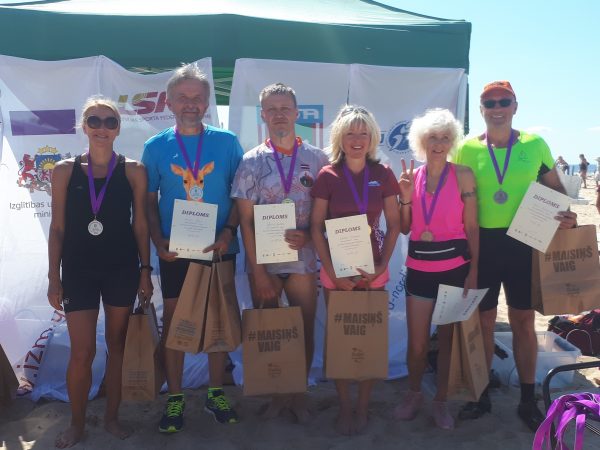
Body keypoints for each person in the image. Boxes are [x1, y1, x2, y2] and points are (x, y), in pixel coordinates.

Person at [454, 81, 577, 431]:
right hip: (482, 244)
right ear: (481, 109)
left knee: (523, 321)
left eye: (504, 101)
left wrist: (567, 215)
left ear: (515, 106)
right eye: (490, 102)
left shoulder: (535, 144)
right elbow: (454, 194)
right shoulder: (465, 148)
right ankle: (481, 396)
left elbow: (556, 190)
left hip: (524, 241)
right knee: (483, 322)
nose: (497, 108)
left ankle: (527, 399)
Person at [141, 64, 243, 433]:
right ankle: (176, 397)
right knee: (175, 325)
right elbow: (148, 201)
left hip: (218, 247)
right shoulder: (155, 147)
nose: (190, 104)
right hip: (176, 250)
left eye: (197, 98)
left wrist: (229, 232)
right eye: (182, 97)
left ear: (207, 103)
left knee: (217, 322)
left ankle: (215, 393)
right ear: (169, 102)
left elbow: (240, 195)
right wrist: (157, 240)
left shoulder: (227, 142)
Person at [47, 96, 153, 448]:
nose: (102, 128)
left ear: (118, 129)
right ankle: (76, 424)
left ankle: (111, 418)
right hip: (79, 271)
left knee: (117, 347)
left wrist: (145, 270)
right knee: (82, 352)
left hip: (122, 268)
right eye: (94, 121)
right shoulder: (64, 171)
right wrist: (53, 278)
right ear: (84, 126)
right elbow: (57, 228)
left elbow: (140, 225)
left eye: (110, 122)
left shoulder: (134, 170)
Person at [232, 83, 328, 422]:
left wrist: (310, 237)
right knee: (270, 332)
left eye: (285, 108)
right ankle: (277, 395)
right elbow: (245, 221)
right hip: (265, 262)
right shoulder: (251, 161)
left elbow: (329, 212)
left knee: (303, 328)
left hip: (303, 259)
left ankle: (298, 395)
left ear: (297, 113)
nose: (279, 114)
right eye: (272, 109)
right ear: (263, 115)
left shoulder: (318, 159)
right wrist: (258, 271)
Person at [310, 105, 401, 435]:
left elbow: (394, 224)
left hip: (373, 270)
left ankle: (363, 406)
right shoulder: (327, 175)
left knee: (369, 341)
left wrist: (382, 264)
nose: (357, 139)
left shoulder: (383, 174)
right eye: (350, 133)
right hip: (336, 273)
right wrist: (334, 272)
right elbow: (315, 226)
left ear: (373, 137)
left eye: (363, 133)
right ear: (340, 137)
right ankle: (345, 407)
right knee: (341, 341)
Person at [394, 109, 478, 430]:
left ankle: (440, 401)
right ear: (422, 141)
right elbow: (404, 228)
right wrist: (405, 199)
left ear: (452, 141)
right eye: (433, 137)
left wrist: (474, 271)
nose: (439, 144)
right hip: (420, 270)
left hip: (455, 269)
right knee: (417, 344)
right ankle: (414, 393)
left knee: (446, 342)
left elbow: (472, 227)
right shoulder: (411, 178)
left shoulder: (463, 175)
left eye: (445, 138)